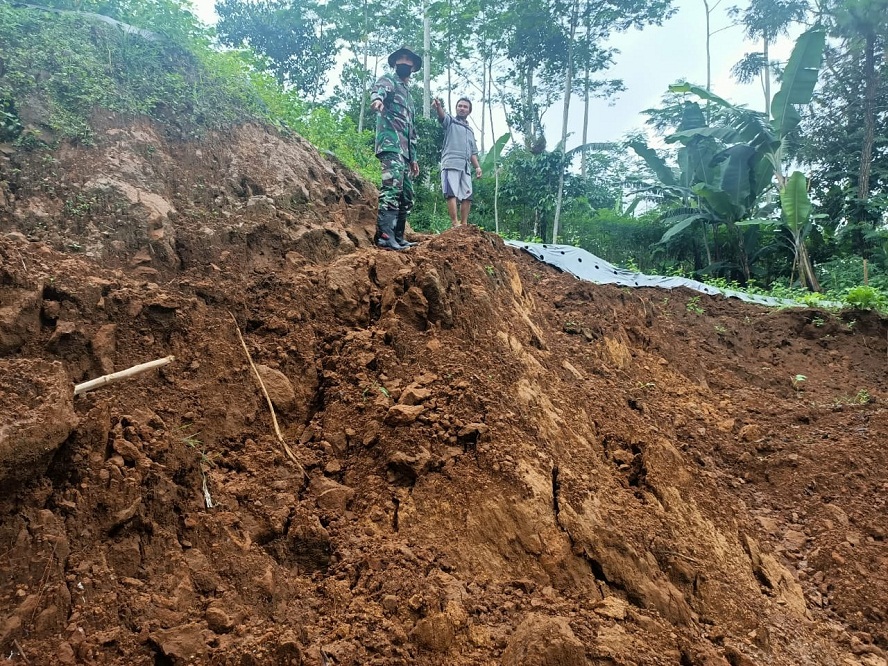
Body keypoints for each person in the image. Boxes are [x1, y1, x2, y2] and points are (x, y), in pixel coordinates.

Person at [369, 46, 422, 250]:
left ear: (414, 66)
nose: (404, 62)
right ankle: (384, 236)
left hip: (405, 152)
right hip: (390, 143)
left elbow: (411, 130)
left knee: (407, 195)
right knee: (392, 188)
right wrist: (377, 100)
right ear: (394, 63)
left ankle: (398, 237)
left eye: (408, 60)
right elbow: (379, 90)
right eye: (401, 59)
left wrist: (414, 158)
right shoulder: (389, 80)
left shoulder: (409, 97)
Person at [431, 96, 482, 227]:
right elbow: (442, 116)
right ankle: (455, 223)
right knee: (451, 193)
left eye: (465, 107)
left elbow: (473, 152)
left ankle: (464, 224)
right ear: (456, 108)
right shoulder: (451, 122)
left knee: (467, 195)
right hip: (451, 163)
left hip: (465, 167)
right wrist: (438, 107)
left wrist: (477, 167)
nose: (462, 108)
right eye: (460, 106)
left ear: (469, 111)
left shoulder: (470, 131)